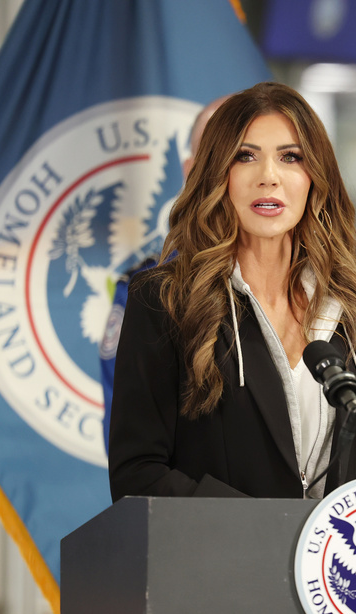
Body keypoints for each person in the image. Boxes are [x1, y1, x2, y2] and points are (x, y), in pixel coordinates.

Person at [107, 81, 356, 614]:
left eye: (290, 157)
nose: (268, 177)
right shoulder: (163, 301)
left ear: (315, 177)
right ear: (217, 175)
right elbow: (138, 473)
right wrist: (276, 538)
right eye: (245, 155)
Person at [100, 93, 231, 451]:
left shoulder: (325, 285)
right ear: (191, 170)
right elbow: (132, 448)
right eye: (218, 154)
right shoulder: (151, 291)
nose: (240, 171)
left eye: (247, 154)